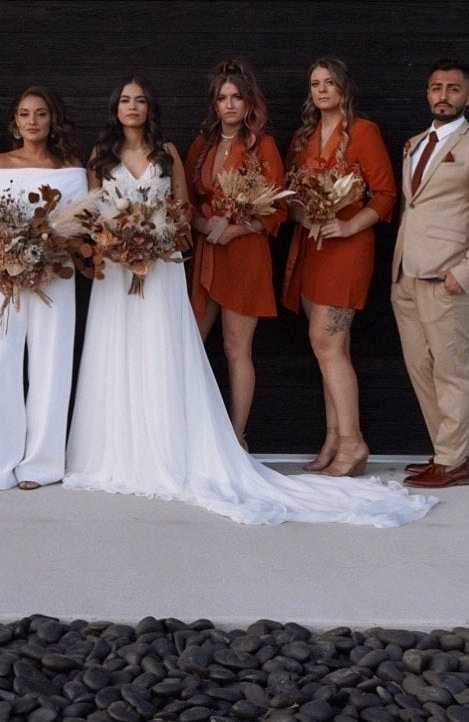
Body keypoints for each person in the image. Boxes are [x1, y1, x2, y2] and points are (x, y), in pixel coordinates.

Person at [64, 77, 434, 527]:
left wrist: (213, 229)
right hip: (139, 268)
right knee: (158, 348)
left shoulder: (187, 152)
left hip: (213, 260)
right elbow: (148, 211)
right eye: (125, 99)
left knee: (232, 348)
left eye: (141, 100)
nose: (133, 107)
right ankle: (129, 441)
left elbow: (255, 205)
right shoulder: (159, 150)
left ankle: (238, 438)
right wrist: (134, 240)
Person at [393, 61, 469, 489]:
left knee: (451, 369)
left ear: (468, 97)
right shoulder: (415, 143)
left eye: (453, 89)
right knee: (420, 367)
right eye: (436, 87)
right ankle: (451, 451)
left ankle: (452, 461)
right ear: (427, 94)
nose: (444, 94)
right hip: (406, 275)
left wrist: (467, 272)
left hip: (447, 279)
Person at [281, 58, 397, 477]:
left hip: (347, 249)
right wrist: (303, 215)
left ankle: (354, 443)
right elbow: (289, 195)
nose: (322, 90)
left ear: (344, 88)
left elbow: (385, 194)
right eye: (315, 84)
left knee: (327, 344)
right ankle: (334, 438)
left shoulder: (363, 132)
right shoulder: (302, 137)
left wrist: (347, 224)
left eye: (330, 82)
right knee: (329, 347)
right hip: (312, 248)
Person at [0, 86, 87, 491]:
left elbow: (81, 225)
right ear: (15, 121)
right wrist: (5, 259)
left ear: (52, 119)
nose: (33, 121)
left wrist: (49, 254)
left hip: (54, 277)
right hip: (5, 278)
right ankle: (1, 461)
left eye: (41, 113)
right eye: (25, 114)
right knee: (1, 361)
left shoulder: (72, 169)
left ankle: (41, 464)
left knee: (51, 364)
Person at [186, 58, 287, 449]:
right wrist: (200, 225)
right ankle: (195, 430)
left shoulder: (262, 146)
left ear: (249, 104)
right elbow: (187, 202)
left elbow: (277, 209)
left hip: (244, 253)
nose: (229, 105)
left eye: (237, 97)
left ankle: (236, 435)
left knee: (235, 347)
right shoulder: (202, 145)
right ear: (214, 104)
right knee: (191, 339)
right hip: (206, 252)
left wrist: (236, 228)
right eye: (222, 98)